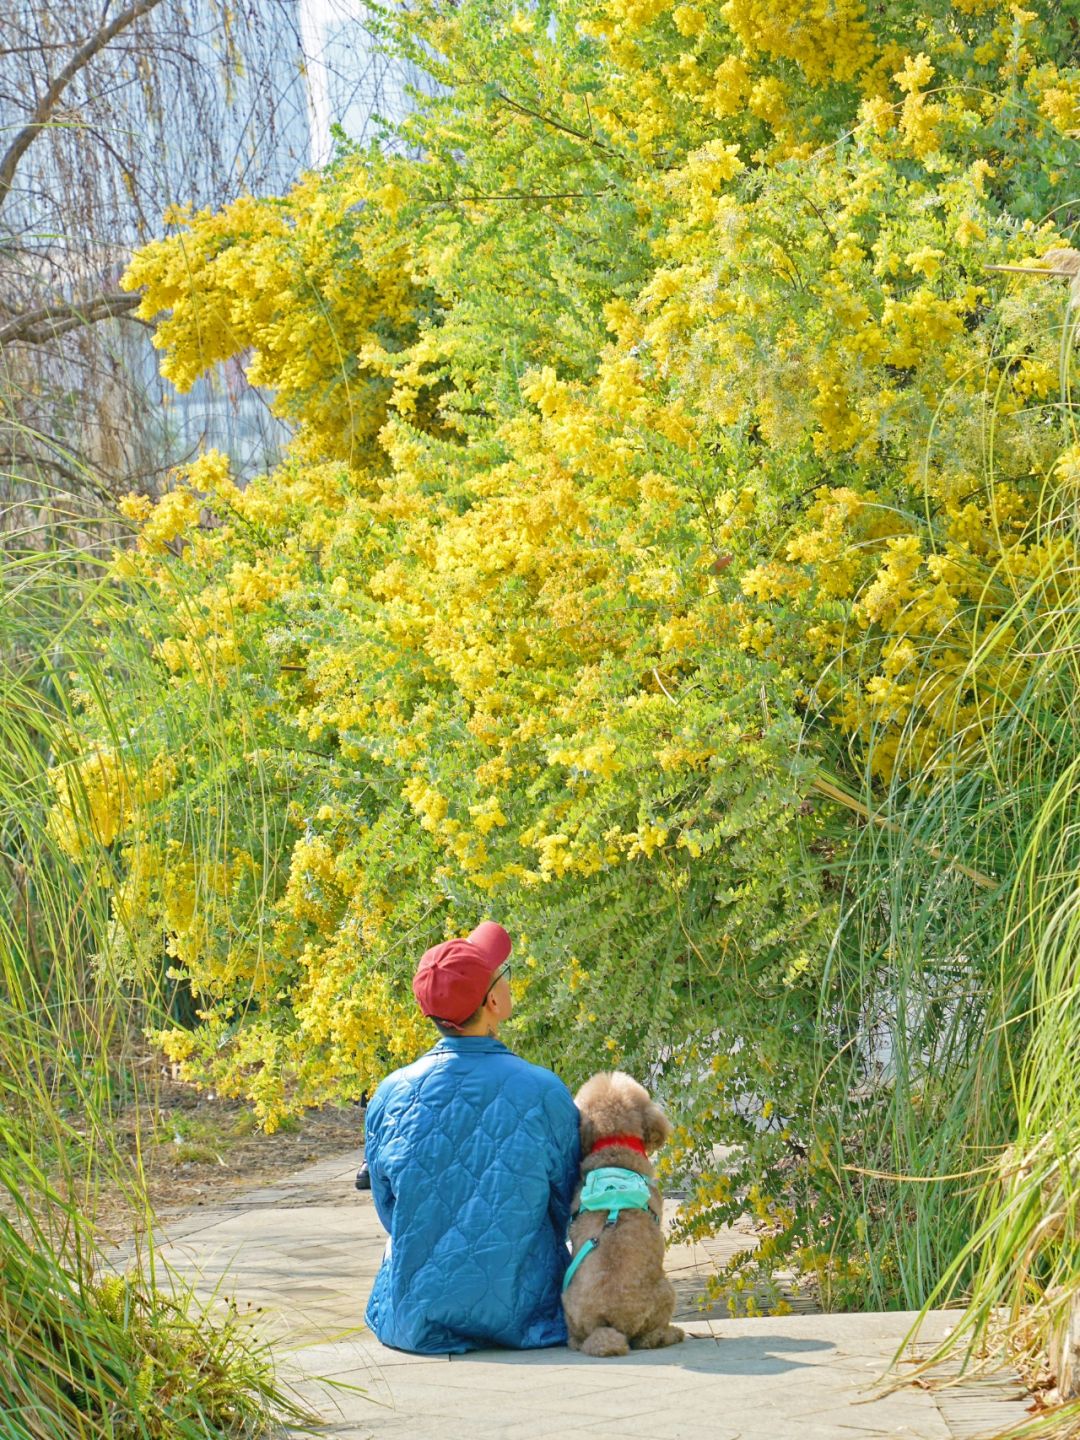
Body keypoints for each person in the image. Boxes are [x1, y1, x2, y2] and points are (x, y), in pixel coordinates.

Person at [363, 920, 580, 1354]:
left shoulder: (389, 1094)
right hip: (530, 1314)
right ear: (493, 1000)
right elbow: (567, 1201)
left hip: (415, 1317)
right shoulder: (544, 1091)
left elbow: (390, 1210)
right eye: (503, 974)